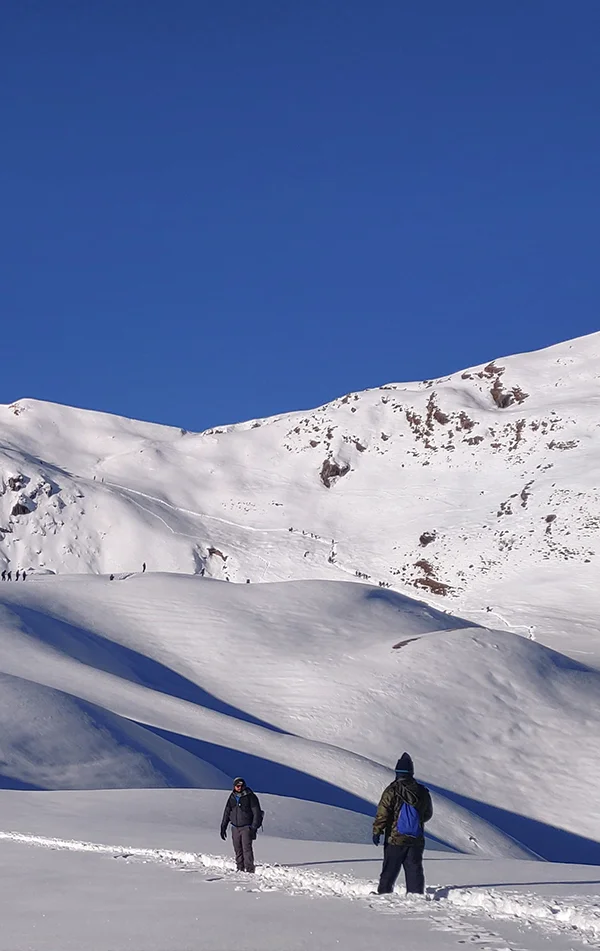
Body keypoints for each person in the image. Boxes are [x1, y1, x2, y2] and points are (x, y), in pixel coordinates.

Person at [372, 752, 433, 895]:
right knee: (414, 870)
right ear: (411, 772)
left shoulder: (392, 790)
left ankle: (384, 895)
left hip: (395, 838)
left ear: (397, 772)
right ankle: (416, 896)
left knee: (389, 870)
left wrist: (377, 831)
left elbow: (383, 813)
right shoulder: (422, 791)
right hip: (416, 838)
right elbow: (428, 814)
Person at [220, 777, 262, 873]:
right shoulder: (232, 797)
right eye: (237, 786)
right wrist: (223, 827)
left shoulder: (250, 797)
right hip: (235, 827)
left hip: (246, 827)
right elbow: (227, 812)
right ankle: (240, 868)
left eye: (241, 785)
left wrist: (254, 827)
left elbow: (257, 813)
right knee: (237, 849)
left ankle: (249, 869)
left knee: (246, 849)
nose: (239, 787)